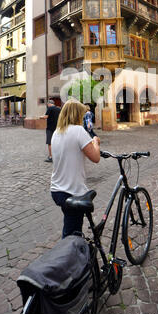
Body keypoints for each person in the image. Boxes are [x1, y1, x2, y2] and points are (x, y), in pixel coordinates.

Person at [50, 99, 100, 238]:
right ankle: (71, 258)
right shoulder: (78, 131)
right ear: (77, 115)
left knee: (71, 226)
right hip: (72, 191)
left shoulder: (57, 132)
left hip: (57, 190)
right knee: (71, 236)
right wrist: (95, 142)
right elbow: (96, 157)